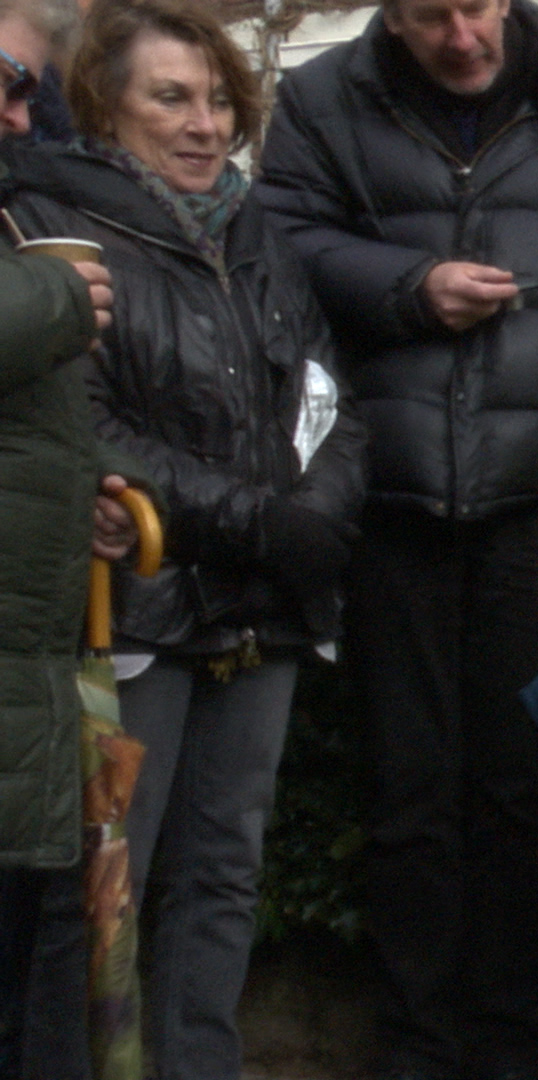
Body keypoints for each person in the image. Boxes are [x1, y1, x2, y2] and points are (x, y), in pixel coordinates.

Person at [253, 0, 538, 1073]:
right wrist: (408, 289)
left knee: (521, 794)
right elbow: (277, 252)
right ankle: (416, 1048)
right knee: (406, 797)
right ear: (391, 15)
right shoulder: (320, 101)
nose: (464, 36)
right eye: (432, 13)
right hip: (385, 504)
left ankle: (506, 1044)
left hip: (535, 510)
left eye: (479, 6)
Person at [2, 1, 367, 1077]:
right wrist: (262, 521)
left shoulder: (259, 234)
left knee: (224, 878)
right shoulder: (60, 229)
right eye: (172, 97)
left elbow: (330, 393)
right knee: (105, 888)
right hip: (142, 606)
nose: (205, 123)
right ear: (104, 110)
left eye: (217, 99)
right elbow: (94, 428)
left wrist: (320, 514)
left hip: (265, 610)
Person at [0, 2, 140, 1075]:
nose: (18, 120)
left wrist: (77, 492)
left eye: (29, 96)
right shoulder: (31, 271)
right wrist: (53, 293)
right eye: (5, 83)